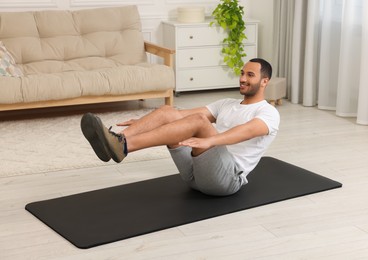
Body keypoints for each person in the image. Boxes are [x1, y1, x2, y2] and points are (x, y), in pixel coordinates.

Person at [81, 58, 280, 196]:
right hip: (195, 174)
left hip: (226, 180)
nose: (243, 78)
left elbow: (245, 132)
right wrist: (144, 123)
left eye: (250, 75)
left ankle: (123, 146)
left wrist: (209, 140)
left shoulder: (268, 112)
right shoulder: (227, 103)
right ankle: (116, 140)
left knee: (199, 121)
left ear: (264, 81)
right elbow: (177, 116)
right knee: (168, 110)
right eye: (242, 73)